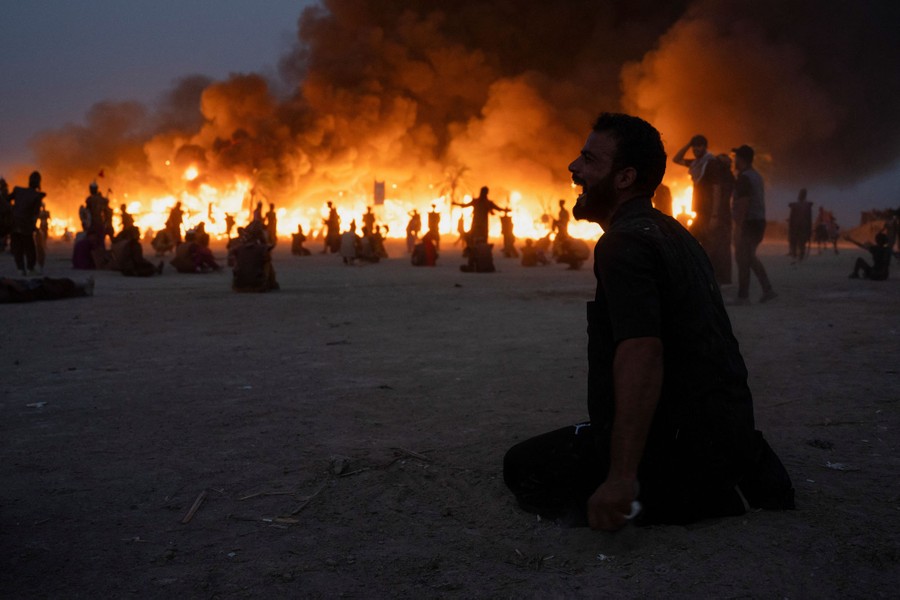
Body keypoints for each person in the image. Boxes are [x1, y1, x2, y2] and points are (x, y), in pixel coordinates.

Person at [503, 113, 794, 531]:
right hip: (720, 432)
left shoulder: (623, 243)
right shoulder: (671, 232)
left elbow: (643, 351)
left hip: (685, 442)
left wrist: (621, 477)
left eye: (588, 159)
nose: (574, 167)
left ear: (624, 178)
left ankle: (703, 493)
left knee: (524, 467)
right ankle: (732, 468)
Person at [673, 135, 731, 284]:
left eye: (699, 146)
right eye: (694, 147)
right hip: (699, 212)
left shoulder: (710, 163)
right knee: (691, 243)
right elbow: (676, 159)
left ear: (705, 147)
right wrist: (688, 143)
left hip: (708, 213)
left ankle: (710, 280)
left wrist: (714, 215)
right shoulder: (697, 164)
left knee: (707, 248)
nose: (695, 149)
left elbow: (716, 189)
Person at [731, 145, 776, 304]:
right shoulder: (756, 176)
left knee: (743, 258)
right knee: (749, 257)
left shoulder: (744, 178)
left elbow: (743, 203)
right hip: (758, 222)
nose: (734, 160)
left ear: (741, 159)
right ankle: (767, 290)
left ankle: (743, 297)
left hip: (748, 222)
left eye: (736, 157)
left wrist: (738, 227)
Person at [9, 171, 46, 275]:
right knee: (29, 247)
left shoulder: (18, 191)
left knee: (18, 248)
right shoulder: (36, 196)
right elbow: (35, 214)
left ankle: (20, 269)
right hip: (26, 226)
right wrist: (33, 226)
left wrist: (12, 212)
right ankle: (30, 268)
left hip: (15, 224)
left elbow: (6, 199)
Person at [0, 275, 93, 303]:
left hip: (29, 290)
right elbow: (17, 287)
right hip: (30, 290)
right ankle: (83, 289)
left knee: (55, 287)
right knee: (53, 287)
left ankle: (83, 289)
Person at [787, 189, 813, 261]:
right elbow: (809, 218)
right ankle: (797, 254)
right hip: (801, 226)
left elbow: (809, 218)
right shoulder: (806, 206)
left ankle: (798, 254)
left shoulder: (802, 206)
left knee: (798, 241)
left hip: (799, 226)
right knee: (799, 241)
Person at [0, 178, 12, 252]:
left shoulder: (4, 192)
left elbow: (7, 202)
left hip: (5, 214)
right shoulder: (3, 192)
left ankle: (3, 246)